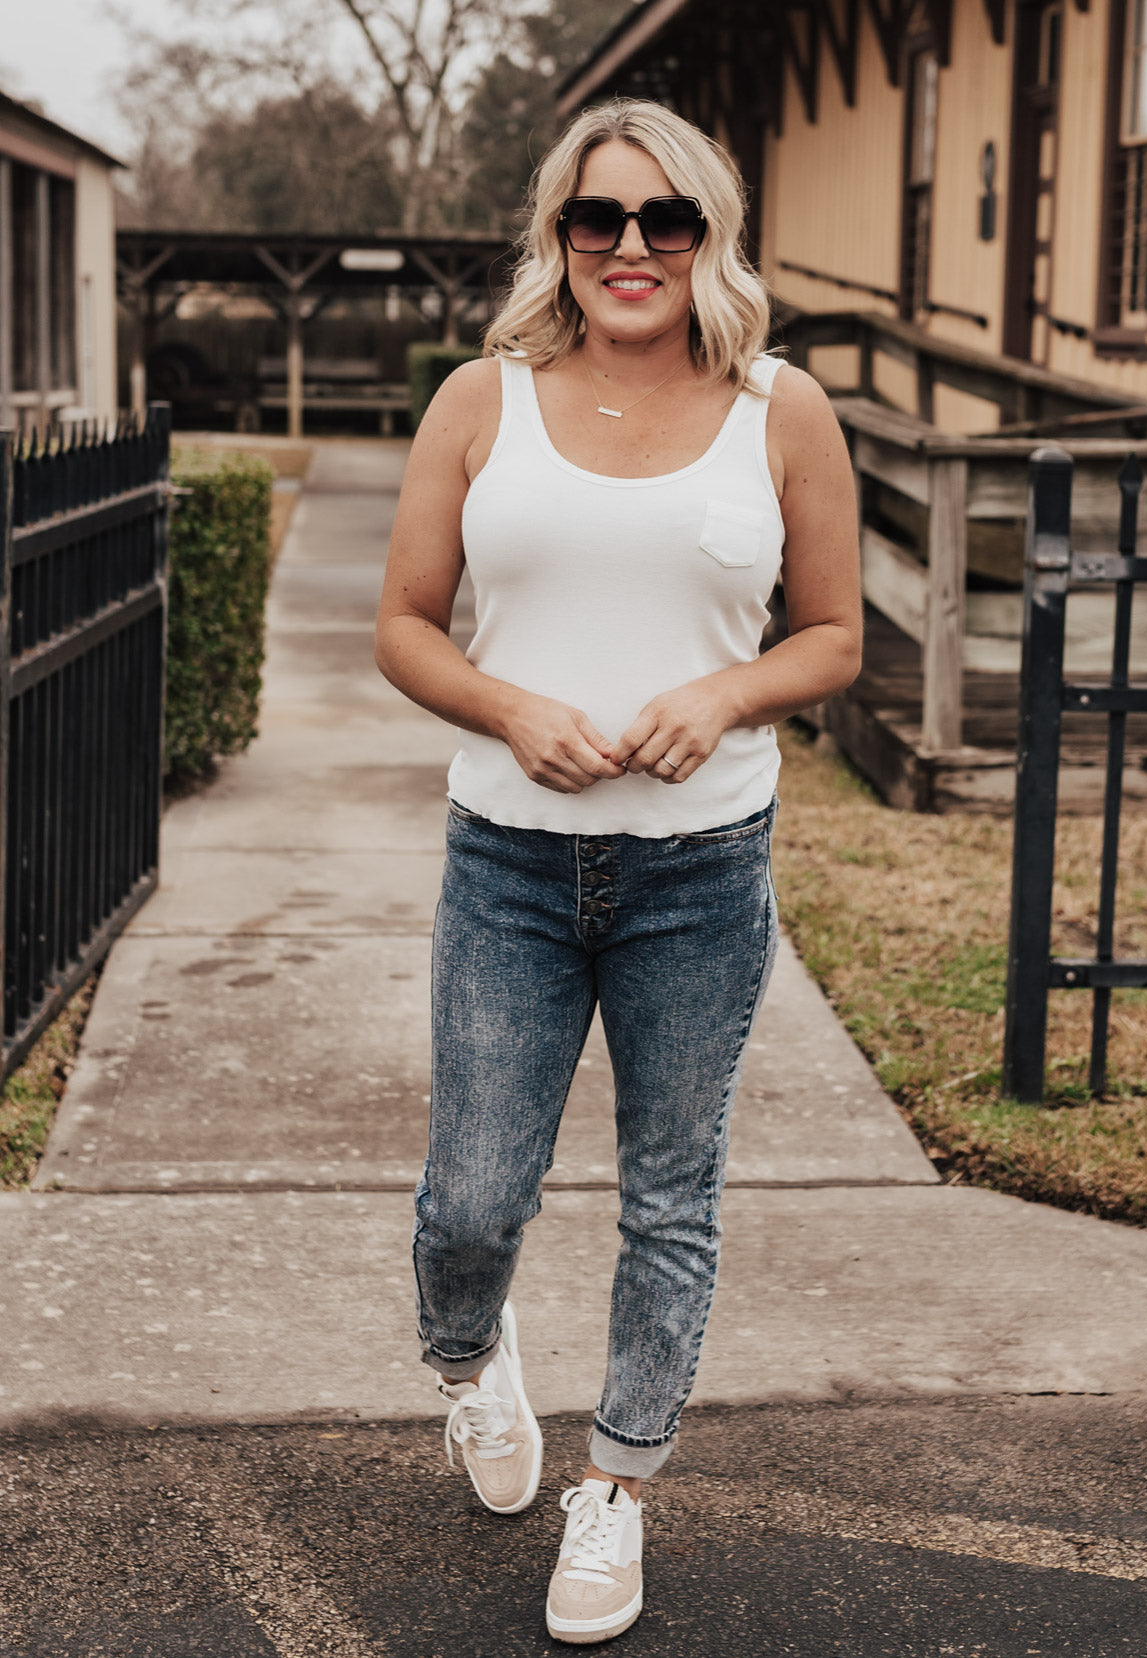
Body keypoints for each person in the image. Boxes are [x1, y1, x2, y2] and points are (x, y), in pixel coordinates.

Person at [374, 97, 862, 1644]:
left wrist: (724, 694)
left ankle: (619, 1487)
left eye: (667, 218)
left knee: (671, 1196)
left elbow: (833, 636)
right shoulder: (482, 400)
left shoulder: (782, 409)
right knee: (472, 1199)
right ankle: (473, 1360)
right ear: (560, 235)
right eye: (600, 217)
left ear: (711, 233)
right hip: (510, 867)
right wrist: (510, 707)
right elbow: (402, 625)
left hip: (700, 873)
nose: (632, 245)